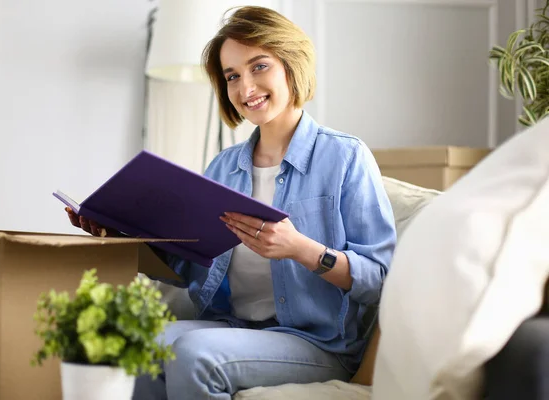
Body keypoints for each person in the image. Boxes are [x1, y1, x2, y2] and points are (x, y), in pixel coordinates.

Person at [67, 6, 396, 399]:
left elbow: (379, 278)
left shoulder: (345, 157)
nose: (245, 88)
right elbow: (188, 268)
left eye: (259, 67)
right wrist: (121, 237)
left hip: (320, 343)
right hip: (233, 328)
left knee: (192, 353)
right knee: (132, 341)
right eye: (233, 76)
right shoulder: (223, 168)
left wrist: (301, 249)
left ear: (290, 64)